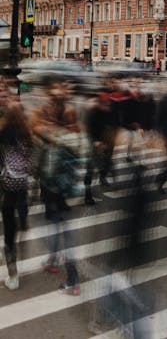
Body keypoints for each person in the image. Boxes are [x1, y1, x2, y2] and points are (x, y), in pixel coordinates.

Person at [32, 80, 82, 295]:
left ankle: (73, 278)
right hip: (64, 180)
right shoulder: (69, 115)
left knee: (60, 224)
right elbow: (77, 144)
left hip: (52, 179)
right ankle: (53, 259)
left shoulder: (44, 116)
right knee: (57, 222)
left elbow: (35, 137)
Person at [0, 95, 33, 291]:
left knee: (9, 229)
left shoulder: (3, 133)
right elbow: (31, 158)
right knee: (21, 211)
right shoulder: (27, 133)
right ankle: (23, 222)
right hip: (22, 181)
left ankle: (13, 275)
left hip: (7, 183)